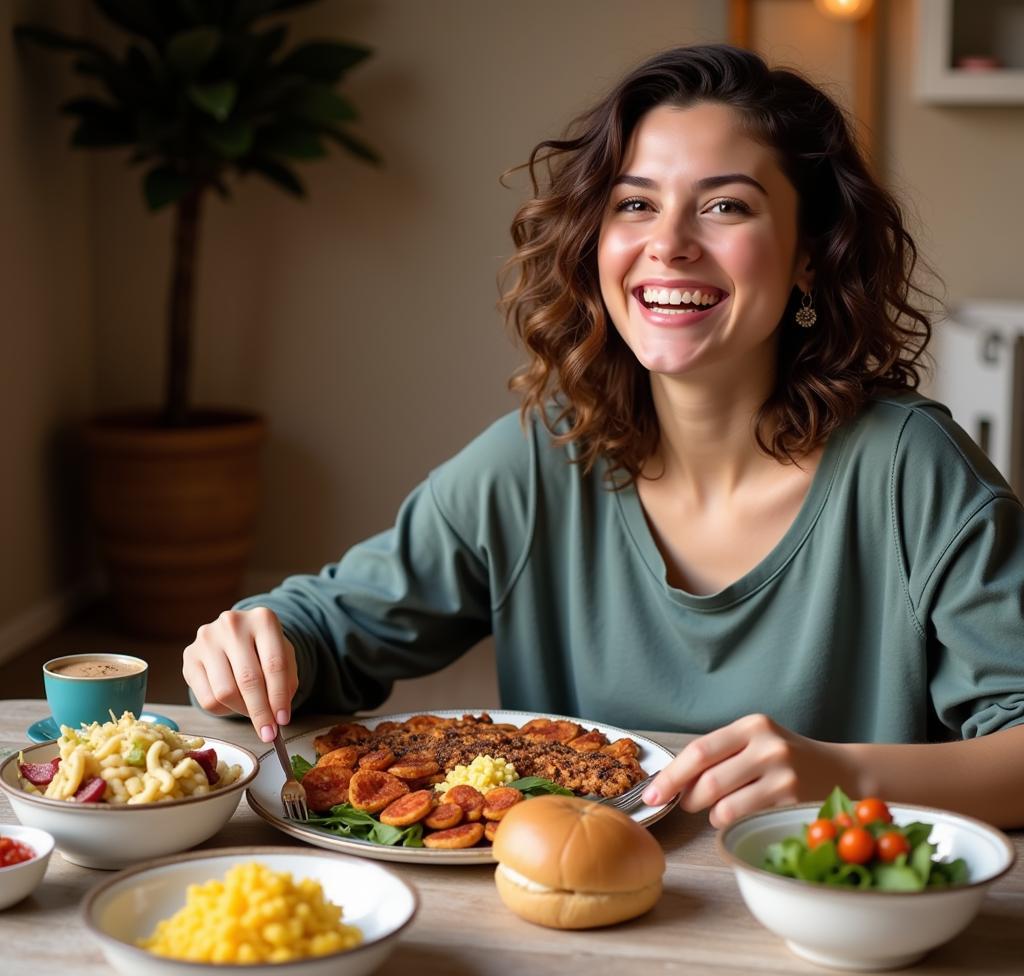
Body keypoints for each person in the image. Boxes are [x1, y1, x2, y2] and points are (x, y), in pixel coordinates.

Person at [183, 44, 1024, 829]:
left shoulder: (914, 474)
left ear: (810, 253)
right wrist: (254, 643)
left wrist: (845, 777)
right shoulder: (536, 462)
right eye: (635, 205)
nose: (669, 244)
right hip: (560, 931)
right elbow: (325, 631)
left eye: (726, 205)